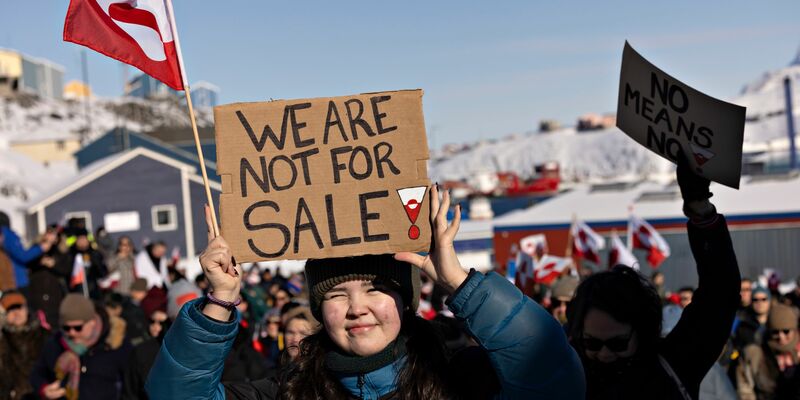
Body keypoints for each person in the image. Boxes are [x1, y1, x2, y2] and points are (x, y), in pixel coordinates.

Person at [146, 185, 586, 399]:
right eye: (336, 295)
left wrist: (460, 283)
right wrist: (220, 301)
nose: (357, 308)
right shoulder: (290, 391)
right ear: (319, 309)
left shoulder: (465, 379)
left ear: (406, 301)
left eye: (376, 288)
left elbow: (554, 377)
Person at [566, 160, 740, 400]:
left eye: (618, 344)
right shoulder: (562, 375)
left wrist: (701, 211)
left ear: (642, 331)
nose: (604, 354)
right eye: (592, 344)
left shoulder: (673, 365)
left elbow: (720, 294)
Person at [30, 293, 132, 400]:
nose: (72, 333)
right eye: (66, 328)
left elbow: (132, 383)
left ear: (92, 322)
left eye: (78, 327)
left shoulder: (116, 345)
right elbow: (37, 373)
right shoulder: (54, 344)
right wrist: (44, 389)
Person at [737, 303, 800, 399]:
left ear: (794, 330)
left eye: (786, 331)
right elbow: (745, 391)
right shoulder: (754, 353)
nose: (781, 336)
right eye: (775, 332)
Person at [0, 291, 49, 399]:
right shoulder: (3, 340)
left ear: (26, 308)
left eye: (19, 307)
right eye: (10, 309)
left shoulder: (44, 335)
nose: (16, 313)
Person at [0, 211, 57, 295]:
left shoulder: (5, 235)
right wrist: (41, 248)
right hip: (16, 281)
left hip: (9, 281)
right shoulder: (7, 235)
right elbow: (23, 256)